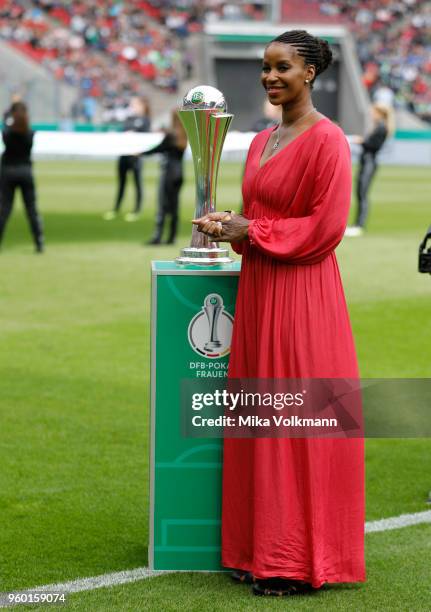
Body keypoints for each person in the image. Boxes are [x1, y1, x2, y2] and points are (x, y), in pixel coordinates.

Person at [193, 30, 365, 597]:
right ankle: (254, 549)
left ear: (310, 73)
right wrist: (230, 224)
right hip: (261, 290)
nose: (270, 77)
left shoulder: (328, 140)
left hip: (303, 295)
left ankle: (294, 559)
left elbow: (325, 229)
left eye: (283, 67)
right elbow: (262, 216)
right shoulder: (264, 138)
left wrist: (253, 230)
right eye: (266, 68)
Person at [0, 101, 44, 253]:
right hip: (25, 172)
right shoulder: (30, 134)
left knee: (4, 209)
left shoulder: (7, 134)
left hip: (7, 172)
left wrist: (7, 115)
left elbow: (5, 126)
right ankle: (39, 242)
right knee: (32, 210)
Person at [345, 103, 394, 236]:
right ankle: (357, 224)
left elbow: (372, 145)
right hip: (367, 162)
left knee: (362, 193)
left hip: (369, 163)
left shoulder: (381, 128)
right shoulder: (379, 127)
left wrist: (359, 140)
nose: (372, 115)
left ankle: (359, 225)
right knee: (360, 193)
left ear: (380, 113)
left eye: (374, 112)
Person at [141, 110, 187, 245]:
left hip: (168, 173)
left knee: (162, 206)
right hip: (179, 173)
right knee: (174, 207)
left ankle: (158, 236)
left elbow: (158, 149)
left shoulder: (171, 135)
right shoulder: (184, 136)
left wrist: (140, 153)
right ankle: (172, 237)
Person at [103, 97, 151, 222]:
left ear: (142, 105)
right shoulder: (129, 119)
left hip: (136, 157)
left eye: (134, 104)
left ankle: (136, 210)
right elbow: (125, 133)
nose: (132, 107)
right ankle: (116, 209)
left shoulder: (146, 120)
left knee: (137, 184)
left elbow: (146, 137)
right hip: (124, 155)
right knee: (121, 184)